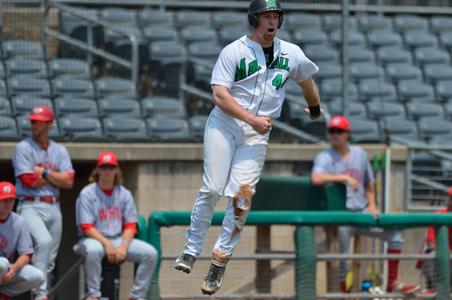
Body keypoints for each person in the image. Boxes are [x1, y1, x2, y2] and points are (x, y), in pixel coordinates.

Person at [174, 0, 322, 295]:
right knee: (213, 188)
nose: (272, 21)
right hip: (225, 124)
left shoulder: (290, 52)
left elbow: (306, 80)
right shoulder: (234, 51)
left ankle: (219, 260)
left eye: (275, 16)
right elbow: (219, 95)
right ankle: (191, 249)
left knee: (241, 198)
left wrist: (315, 108)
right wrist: (251, 119)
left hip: (256, 133)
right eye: (266, 16)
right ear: (254, 19)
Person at [311, 116, 420, 295]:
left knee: (395, 235)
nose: (335, 135)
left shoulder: (359, 154)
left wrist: (373, 205)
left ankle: (392, 282)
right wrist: (343, 178)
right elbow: (316, 178)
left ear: (348, 134)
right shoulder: (324, 156)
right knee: (343, 260)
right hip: (341, 216)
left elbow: (369, 184)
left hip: (361, 213)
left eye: (339, 131)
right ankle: (344, 294)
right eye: (332, 131)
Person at [73, 151, 158, 300]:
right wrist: (107, 244)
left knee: (150, 253)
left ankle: (136, 296)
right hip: (91, 240)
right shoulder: (87, 193)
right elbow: (87, 227)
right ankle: (94, 294)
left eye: (111, 167)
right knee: (94, 250)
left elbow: (130, 225)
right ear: (97, 169)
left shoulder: (124, 194)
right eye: (104, 167)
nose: (107, 171)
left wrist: (124, 246)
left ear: (117, 169)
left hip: (118, 239)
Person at [12, 105, 75, 300]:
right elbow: (28, 180)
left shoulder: (60, 150)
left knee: (49, 261)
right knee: (44, 242)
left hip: (54, 205)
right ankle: (40, 294)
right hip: (30, 205)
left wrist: (45, 172)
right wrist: (57, 177)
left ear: (49, 125)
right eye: (33, 122)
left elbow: (70, 181)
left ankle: (38, 292)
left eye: (39, 122)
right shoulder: (23, 148)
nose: (35, 126)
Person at [0, 181, 45, 299]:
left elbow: (26, 254)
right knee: (2, 263)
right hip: (3, 265)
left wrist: (13, 268)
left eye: (11, 200)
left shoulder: (19, 221)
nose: (7, 203)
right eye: (4, 200)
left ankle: (4, 294)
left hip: (8, 269)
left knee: (38, 277)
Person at [415, 186, 452, 294]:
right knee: (436, 257)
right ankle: (434, 292)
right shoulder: (439, 215)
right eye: (450, 198)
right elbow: (432, 245)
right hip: (434, 261)